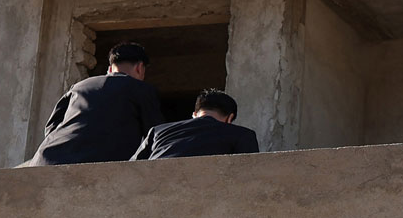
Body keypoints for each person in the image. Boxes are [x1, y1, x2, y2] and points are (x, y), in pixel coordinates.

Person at [26, 42, 163, 166]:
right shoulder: (140, 89)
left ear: (110, 69)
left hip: (46, 160)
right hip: (94, 169)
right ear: (140, 68)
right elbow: (156, 134)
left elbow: (51, 127)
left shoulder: (79, 87)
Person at [132, 89, 260, 160]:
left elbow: (129, 167)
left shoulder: (157, 132)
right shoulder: (242, 135)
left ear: (194, 114)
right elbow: (250, 174)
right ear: (230, 118)